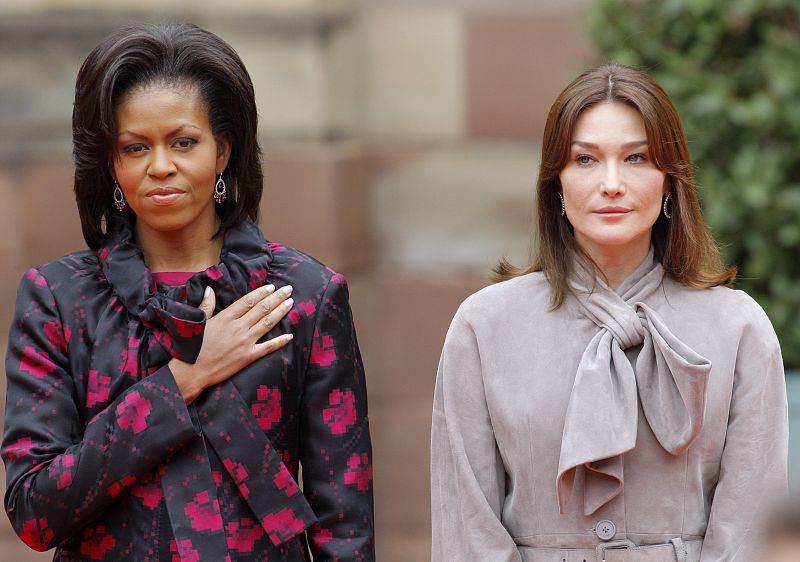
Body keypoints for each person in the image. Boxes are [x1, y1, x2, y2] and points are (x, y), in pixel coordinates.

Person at [2, 23, 374, 561]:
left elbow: (345, 521)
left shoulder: (304, 295)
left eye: (183, 142)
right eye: (135, 147)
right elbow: (35, 512)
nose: (160, 166)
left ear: (222, 151)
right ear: (111, 162)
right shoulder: (59, 299)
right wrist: (183, 380)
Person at [431, 63, 788, 562]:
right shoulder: (485, 326)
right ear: (555, 182)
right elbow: (465, 527)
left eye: (637, 157)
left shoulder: (737, 328)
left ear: (670, 182)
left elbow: (747, 529)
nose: (612, 183)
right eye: (586, 159)